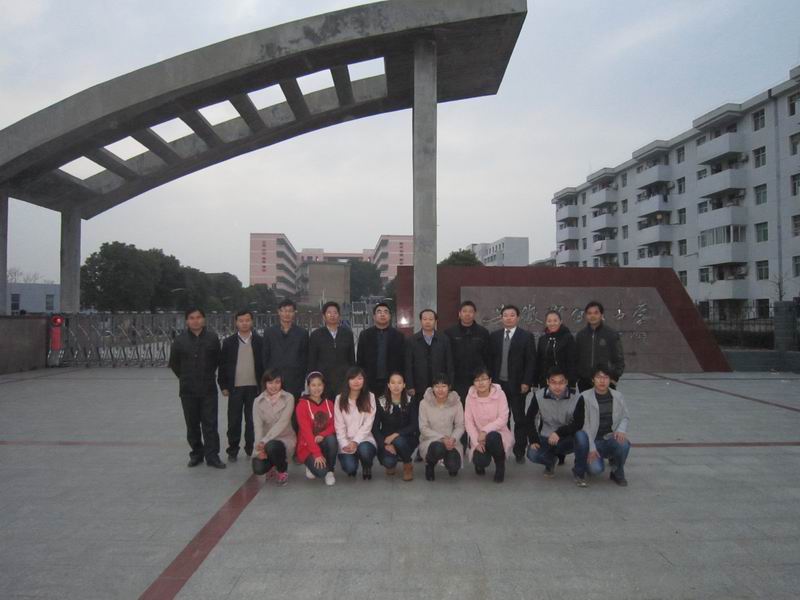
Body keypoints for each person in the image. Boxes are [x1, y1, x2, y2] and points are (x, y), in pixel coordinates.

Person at [168, 308, 225, 469]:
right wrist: (185, 377)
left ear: (204, 320)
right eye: (192, 318)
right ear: (187, 321)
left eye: (199, 317)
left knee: (210, 424)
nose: (195, 320)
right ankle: (196, 454)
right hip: (188, 390)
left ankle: (212, 456)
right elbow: (174, 364)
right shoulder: (179, 340)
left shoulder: (212, 338)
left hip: (208, 389)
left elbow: (218, 361)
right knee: (192, 424)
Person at [488, 304, 536, 463]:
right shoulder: (494, 336)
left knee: (519, 418)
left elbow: (530, 361)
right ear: (501, 318)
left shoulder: (526, 336)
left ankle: (519, 450)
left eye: (512, 315)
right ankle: (503, 448)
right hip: (498, 384)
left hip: (517, 385)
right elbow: (490, 360)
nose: (508, 318)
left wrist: (526, 382)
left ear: (518, 317)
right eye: (505, 315)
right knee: (502, 418)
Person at [218, 309, 265, 462]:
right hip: (235, 388)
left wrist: (264, 386)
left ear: (252, 322)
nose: (244, 323)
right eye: (241, 321)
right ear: (236, 322)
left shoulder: (259, 341)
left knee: (252, 421)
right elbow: (223, 365)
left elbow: (264, 365)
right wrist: (223, 385)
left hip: (254, 388)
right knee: (234, 421)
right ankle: (233, 449)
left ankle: (250, 448)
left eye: (247, 320)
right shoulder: (229, 342)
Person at [573, 365, 631, 487]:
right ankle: (581, 461)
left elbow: (625, 416)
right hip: (593, 440)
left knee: (624, 444)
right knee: (595, 470)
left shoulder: (618, 396)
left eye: (606, 377)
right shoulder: (584, 397)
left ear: (610, 380)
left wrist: (621, 430)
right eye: (599, 377)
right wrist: (591, 447)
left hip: (609, 438)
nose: (602, 381)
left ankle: (617, 472)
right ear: (593, 379)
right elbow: (584, 425)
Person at [526, 366, 584, 478]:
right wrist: (533, 439)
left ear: (566, 382)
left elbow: (578, 423)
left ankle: (579, 470)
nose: (557, 386)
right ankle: (551, 461)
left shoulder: (577, 398)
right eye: (553, 382)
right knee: (532, 454)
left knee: (581, 437)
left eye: (561, 382)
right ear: (547, 382)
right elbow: (529, 419)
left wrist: (559, 433)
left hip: (567, 437)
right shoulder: (538, 396)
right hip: (546, 436)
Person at [464, 367, 513, 483]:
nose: (480, 383)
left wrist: (485, 430)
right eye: (477, 380)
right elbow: (468, 422)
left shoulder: (500, 394)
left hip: (498, 433)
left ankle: (500, 465)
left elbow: (503, 418)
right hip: (478, 436)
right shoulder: (470, 396)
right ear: (473, 383)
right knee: (481, 460)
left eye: (484, 379)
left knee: (493, 437)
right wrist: (476, 442)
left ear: (490, 380)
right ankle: (479, 464)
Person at [251, 369, 296, 486]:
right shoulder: (257, 401)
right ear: (265, 383)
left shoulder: (289, 398)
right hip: (264, 441)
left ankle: (282, 470)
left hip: (284, 438)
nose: (274, 386)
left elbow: (283, 422)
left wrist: (265, 441)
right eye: (270, 382)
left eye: (277, 382)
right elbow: (258, 427)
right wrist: (259, 449)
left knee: (272, 446)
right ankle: (272, 464)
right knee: (258, 468)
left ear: (282, 383)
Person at [373, 372, 419, 481]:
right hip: (387, 440)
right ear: (388, 385)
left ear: (404, 385)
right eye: (393, 383)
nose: (396, 386)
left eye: (399, 383)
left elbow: (414, 425)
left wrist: (395, 435)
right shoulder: (381, 401)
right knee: (389, 462)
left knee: (399, 441)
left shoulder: (411, 400)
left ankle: (407, 464)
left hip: (407, 439)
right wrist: (384, 445)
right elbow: (375, 428)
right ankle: (393, 460)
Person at [418, 373, 464, 481]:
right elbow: (423, 428)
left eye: (443, 386)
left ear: (449, 387)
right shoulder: (424, 403)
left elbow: (460, 425)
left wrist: (453, 439)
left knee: (454, 466)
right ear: (432, 388)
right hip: (430, 441)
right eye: (437, 386)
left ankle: (448, 461)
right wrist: (442, 438)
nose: (440, 390)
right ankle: (430, 464)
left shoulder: (456, 403)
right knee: (437, 448)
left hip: (451, 441)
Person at [334, 367, 377, 480]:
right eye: (352, 378)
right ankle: (353, 461)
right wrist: (344, 443)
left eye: (359, 378)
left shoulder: (370, 397)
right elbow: (339, 425)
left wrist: (355, 441)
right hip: (346, 441)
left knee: (365, 451)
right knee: (350, 468)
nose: (356, 381)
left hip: (364, 439)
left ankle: (367, 465)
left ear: (364, 380)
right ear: (347, 381)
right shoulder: (339, 399)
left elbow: (368, 424)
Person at [444, 300, 491, 406]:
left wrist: (486, 375)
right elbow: (446, 357)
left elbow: (487, 356)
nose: (467, 314)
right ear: (459, 314)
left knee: (478, 406)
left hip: (477, 378)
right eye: (464, 311)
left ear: (475, 314)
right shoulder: (449, 332)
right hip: (457, 378)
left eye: (470, 311)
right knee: (459, 406)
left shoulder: (483, 332)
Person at [295, 371, 337, 486]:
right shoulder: (302, 405)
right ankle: (310, 465)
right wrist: (317, 454)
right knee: (320, 472)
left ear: (324, 386)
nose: (317, 388)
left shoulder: (329, 403)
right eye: (313, 385)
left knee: (331, 439)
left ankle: (330, 471)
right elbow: (306, 432)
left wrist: (323, 434)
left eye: (319, 385)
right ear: (308, 386)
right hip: (308, 446)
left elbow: (334, 425)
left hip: (323, 442)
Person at [263, 299, 309, 403]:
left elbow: (304, 358)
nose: (287, 314)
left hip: (295, 380)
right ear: (278, 312)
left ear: (294, 313)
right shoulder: (269, 332)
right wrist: (269, 377)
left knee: (293, 409)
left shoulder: (302, 333)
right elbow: (265, 357)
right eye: (284, 310)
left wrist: (302, 378)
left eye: (290, 311)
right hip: (274, 380)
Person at [308, 301, 355, 400]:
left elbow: (351, 359)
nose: (332, 315)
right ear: (324, 316)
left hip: (343, 380)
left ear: (339, 316)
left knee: (342, 406)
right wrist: (313, 381)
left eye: (335, 312)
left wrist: (351, 377)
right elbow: (312, 360)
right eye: (329, 313)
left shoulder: (347, 334)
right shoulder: (316, 335)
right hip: (323, 381)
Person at [575, 301, 625, 393]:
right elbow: (575, 358)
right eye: (589, 313)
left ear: (601, 315)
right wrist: (579, 377)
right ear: (586, 316)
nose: (592, 316)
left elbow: (619, 359)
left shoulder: (611, 334)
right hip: (585, 383)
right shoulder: (580, 335)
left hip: (605, 382)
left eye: (596, 313)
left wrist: (614, 378)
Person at [357, 302, 406, 396]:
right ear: (374, 316)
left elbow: (403, 360)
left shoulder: (399, 336)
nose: (382, 314)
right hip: (370, 381)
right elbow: (360, 360)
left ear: (390, 316)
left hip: (392, 382)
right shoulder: (365, 335)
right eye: (379, 312)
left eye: (385, 312)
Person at [406, 309, 454, 402]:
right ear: (421, 321)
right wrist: (410, 385)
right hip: (419, 386)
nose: (427, 322)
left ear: (435, 321)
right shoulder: (412, 341)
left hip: (440, 384)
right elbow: (408, 365)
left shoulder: (444, 339)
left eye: (431, 319)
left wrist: (450, 383)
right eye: (425, 319)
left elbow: (449, 363)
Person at [535, 310, 577, 390]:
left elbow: (572, 361)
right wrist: (536, 381)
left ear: (560, 322)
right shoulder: (542, 339)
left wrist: (572, 382)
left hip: (562, 381)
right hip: (545, 381)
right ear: (546, 323)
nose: (552, 323)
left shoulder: (568, 338)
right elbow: (539, 361)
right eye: (549, 321)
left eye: (555, 320)